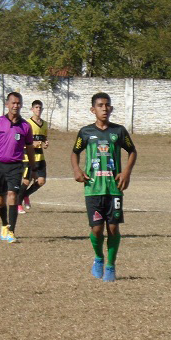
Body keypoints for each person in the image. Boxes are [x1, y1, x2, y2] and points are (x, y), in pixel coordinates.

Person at [70, 92, 137, 282]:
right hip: (93, 188)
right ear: (93, 109)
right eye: (100, 105)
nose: (104, 108)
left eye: (107, 105)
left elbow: (132, 151)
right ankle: (99, 257)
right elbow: (75, 152)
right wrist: (77, 169)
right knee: (97, 229)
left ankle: (111, 265)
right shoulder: (85, 132)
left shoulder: (119, 131)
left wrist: (126, 172)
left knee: (113, 228)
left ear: (111, 108)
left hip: (114, 188)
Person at [0, 92, 37, 243]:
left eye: (18, 103)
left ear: (21, 105)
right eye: (13, 103)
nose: (16, 105)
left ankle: (11, 231)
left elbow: (30, 148)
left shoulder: (25, 126)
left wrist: (33, 168)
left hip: (16, 166)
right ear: (7, 104)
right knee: (1, 200)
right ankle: (4, 225)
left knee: (13, 194)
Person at [18, 100, 49, 213]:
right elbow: (20, 141)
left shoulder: (44, 124)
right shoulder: (26, 124)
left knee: (41, 181)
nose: (38, 109)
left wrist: (45, 143)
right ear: (32, 109)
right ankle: (18, 204)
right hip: (28, 157)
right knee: (27, 181)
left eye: (40, 107)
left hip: (40, 157)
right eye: (36, 107)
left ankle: (25, 195)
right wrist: (31, 144)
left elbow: (44, 138)